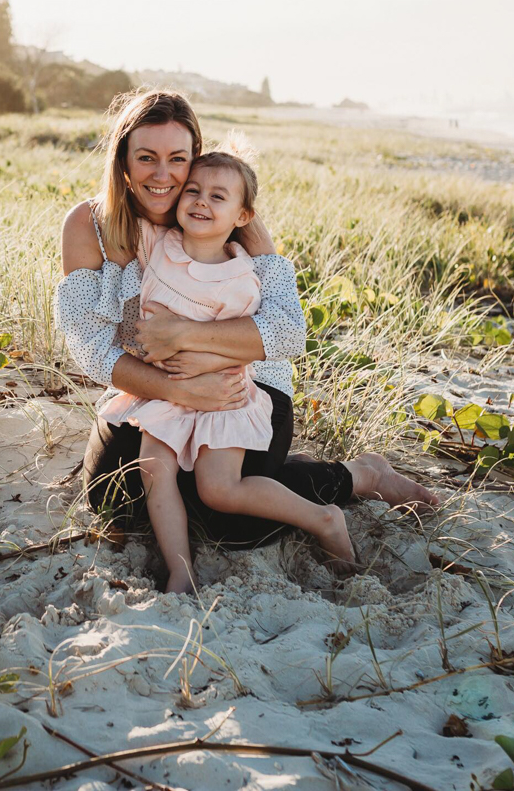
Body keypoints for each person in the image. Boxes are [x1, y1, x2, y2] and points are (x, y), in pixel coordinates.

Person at [55, 89, 437, 555]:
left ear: (195, 157)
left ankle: (360, 476)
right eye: (146, 157)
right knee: (114, 496)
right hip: (153, 389)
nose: (163, 175)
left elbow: (288, 330)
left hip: (246, 386)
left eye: (178, 159)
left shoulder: (224, 216)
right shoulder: (90, 225)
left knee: (224, 517)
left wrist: (186, 335)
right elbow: (90, 344)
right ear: (123, 160)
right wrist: (173, 387)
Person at [101, 146, 367, 591]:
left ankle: (324, 518)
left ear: (243, 217)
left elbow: (250, 346)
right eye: (194, 191)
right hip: (167, 392)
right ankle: (180, 572)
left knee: (219, 490)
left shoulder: (240, 278)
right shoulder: (157, 244)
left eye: (218, 197)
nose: (202, 201)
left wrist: (198, 363)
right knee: (153, 466)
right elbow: (121, 219)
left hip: (222, 394)